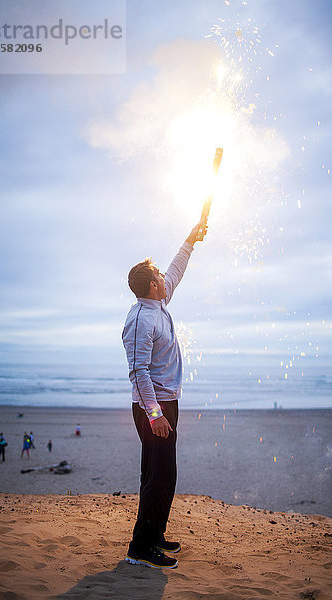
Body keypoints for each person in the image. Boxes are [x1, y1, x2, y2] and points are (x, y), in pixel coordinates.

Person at [122, 221, 207, 569]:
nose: (163, 277)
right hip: (151, 407)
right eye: (158, 275)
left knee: (158, 474)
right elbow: (138, 373)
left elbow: (176, 270)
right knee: (160, 476)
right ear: (152, 286)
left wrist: (191, 238)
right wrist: (155, 415)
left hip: (165, 403)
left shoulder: (157, 301)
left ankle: (154, 535)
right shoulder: (142, 319)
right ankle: (140, 548)